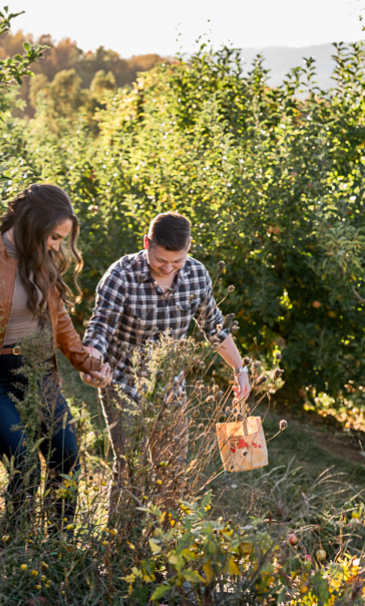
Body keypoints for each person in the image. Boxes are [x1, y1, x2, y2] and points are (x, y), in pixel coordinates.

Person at [0, 183, 112, 525]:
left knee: (67, 455)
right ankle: (18, 549)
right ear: (33, 223)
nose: (57, 246)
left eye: (60, 239)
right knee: (24, 464)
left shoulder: (43, 261)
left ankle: (59, 548)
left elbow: (59, 322)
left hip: (37, 372)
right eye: (54, 237)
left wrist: (88, 363)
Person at [81, 211, 250, 521]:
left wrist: (239, 369)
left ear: (189, 248)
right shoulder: (121, 275)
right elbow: (100, 326)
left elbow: (214, 327)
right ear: (147, 243)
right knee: (130, 468)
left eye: (177, 261)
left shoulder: (197, 275)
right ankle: (117, 552)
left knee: (171, 471)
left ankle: (162, 551)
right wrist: (91, 361)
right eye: (161, 261)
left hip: (170, 388)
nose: (169, 267)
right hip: (122, 383)